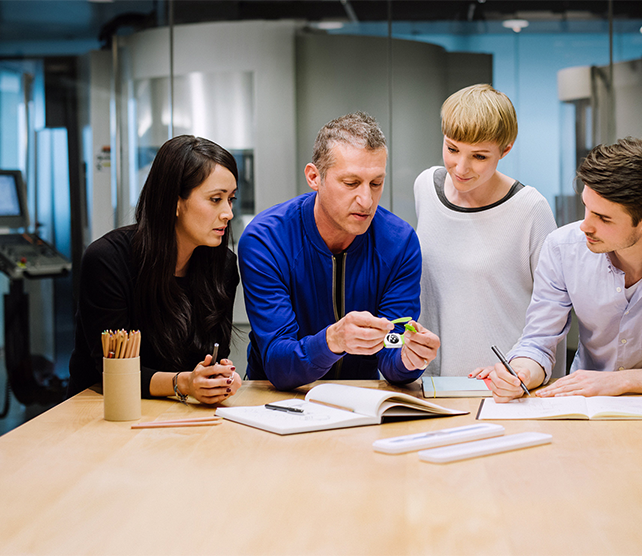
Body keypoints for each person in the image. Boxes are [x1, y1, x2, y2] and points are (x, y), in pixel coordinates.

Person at [476, 137, 642, 401]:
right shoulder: (562, 248)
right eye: (587, 208)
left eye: (603, 218)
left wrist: (622, 381)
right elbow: (537, 342)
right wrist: (521, 372)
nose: (585, 226)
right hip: (591, 405)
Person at [238, 112, 440, 391]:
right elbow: (277, 363)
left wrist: (408, 359)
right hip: (276, 398)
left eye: (376, 183)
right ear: (314, 177)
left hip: (358, 399)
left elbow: (390, 344)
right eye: (351, 183)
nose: (366, 200)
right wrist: (332, 341)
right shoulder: (267, 240)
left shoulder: (399, 242)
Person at [68, 135, 242, 404]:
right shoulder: (107, 260)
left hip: (182, 412)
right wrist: (183, 383)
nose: (228, 213)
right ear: (174, 201)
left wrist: (219, 377)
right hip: (105, 410)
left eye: (230, 199)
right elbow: (109, 371)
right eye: (215, 199)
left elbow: (213, 356)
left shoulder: (223, 266)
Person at [414, 83, 557, 376]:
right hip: (429, 382)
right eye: (452, 149)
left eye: (479, 156)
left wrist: (525, 373)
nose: (461, 167)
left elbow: (552, 311)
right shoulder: (425, 187)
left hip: (501, 384)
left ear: (505, 150)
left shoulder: (530, 208)